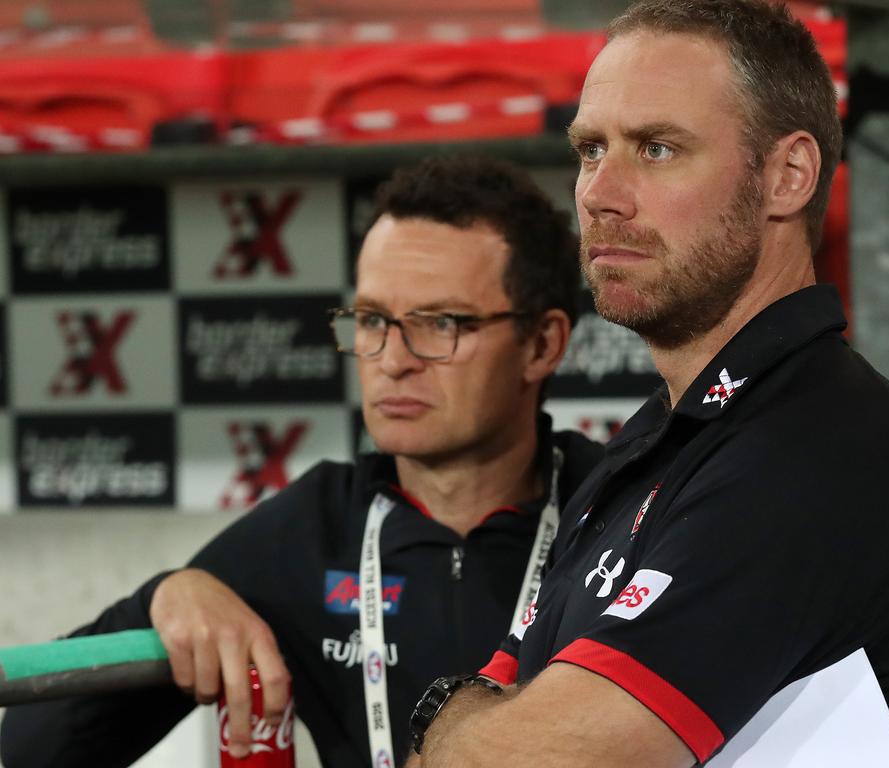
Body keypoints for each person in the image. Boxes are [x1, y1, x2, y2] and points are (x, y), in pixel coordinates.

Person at [406, 2, 889, 767]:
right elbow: (505, 710)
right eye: (590, 149)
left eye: (656, 149)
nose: (600, 193)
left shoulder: (819, 444)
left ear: (787, 175)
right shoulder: (653, 445)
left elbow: (527, 757)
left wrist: (445, 717)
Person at [0, 155, 604, 768]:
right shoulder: (310, 529)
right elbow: (28, 750)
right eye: (372, 320)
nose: (392, 359)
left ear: (541, 344)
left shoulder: (630, 512)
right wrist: (164, 597)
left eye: (440, 322)